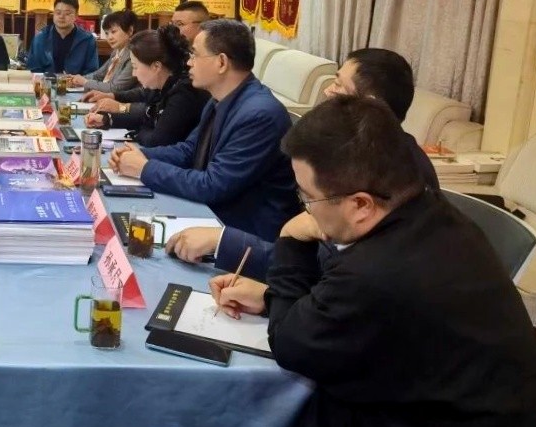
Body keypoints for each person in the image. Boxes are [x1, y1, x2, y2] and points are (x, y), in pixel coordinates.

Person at [203, 96, 536, 427]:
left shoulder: (379, 272)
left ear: (361, 205)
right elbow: (359, 312)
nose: (305, 208)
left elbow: (291, 343)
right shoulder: (431, 213)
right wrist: (272, 295)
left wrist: (292, 241)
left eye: (307, 197)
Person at [167, 47, 439, 280]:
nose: (327, 91)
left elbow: (327, 272)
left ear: (368, 105)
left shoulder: (389, 175)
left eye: (339, 85)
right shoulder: (362, 149)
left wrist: (224, 242)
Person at [110, 19, 297, 241]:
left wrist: (145, 168)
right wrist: (139, 155)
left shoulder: (260, 115)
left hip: (244, 233)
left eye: (195, 55)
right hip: (212, 213)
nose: (189, 62)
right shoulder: (218, 99)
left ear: (221, 62)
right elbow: (189, 150)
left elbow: (213, 185)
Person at [84, 25, 207, 147]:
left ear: (156, 67)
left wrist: (139, 131)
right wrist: (107, 119)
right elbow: (145, 116)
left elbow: (156, 140)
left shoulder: (183, 94)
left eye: (135, 67)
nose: (134, 73)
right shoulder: (161, 86)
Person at [86, 1, 209, 107]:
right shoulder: (174, 53)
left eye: (180, 24)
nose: (174, 29)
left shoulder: (201, 63)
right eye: (172, 24)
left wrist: (121, 107)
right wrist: (113, 96)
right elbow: (149, 92)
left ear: (201, 26)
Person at [70, 9, 139, 95]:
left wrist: (85, 82)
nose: (109, 37)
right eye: (107, 33)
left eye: (113, 32)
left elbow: (115, 88)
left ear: (130, 31)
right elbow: (98, 75)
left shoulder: (134, 55)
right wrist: (76, 79)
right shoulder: (116, 52)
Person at [25, 0, 98, 75]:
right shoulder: (41, 37)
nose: (61, 17)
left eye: (67, 13)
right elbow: (33, 68)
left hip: (76, 82)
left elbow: (92, 71)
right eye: (58, 13)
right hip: (46, 81)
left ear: (76, 16)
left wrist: (79, 80)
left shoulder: (87, 39)